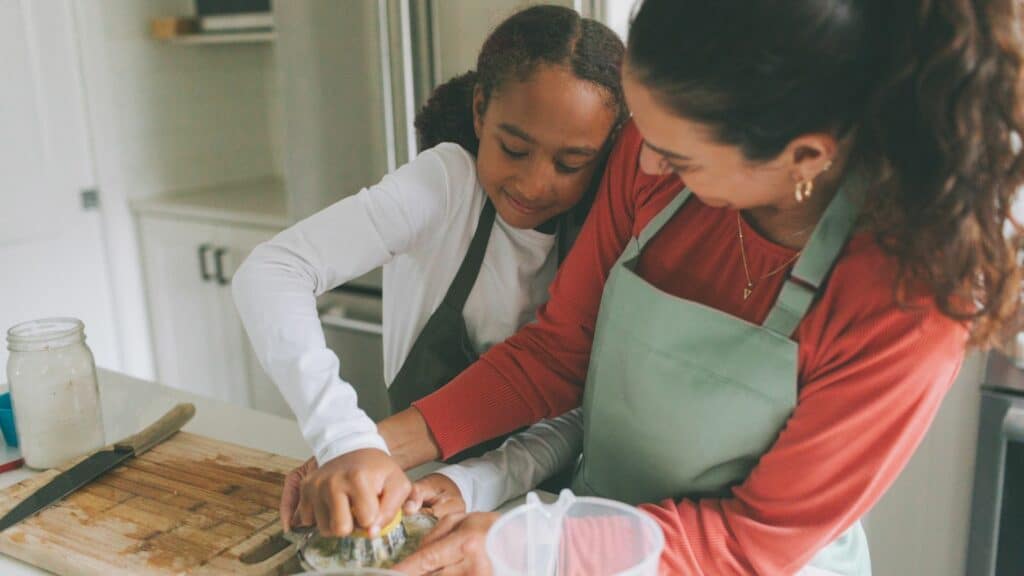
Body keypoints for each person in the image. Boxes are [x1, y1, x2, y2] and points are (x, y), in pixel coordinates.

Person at [291, 0, 1024, 574]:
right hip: (583, 525)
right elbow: (556, 352)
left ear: (804, 157)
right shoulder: (652, 150)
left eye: (676, 158)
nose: (641, 173)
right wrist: (375, 444)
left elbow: (751, 547)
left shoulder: (909, 299)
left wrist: (538, 550)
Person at [232, 4, 627, 538]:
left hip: (534, 514)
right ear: (481, 110)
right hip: (407, 495)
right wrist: (345, 439)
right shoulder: (444, 185)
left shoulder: (604, 225)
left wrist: (475, 481)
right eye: (514, 148)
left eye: (570, 164)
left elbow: (579, 405)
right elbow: (272, 271)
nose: (535, 185)